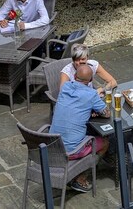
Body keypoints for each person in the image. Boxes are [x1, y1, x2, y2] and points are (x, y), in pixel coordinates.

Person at [48, 63, 110, 193]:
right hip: (70, 151)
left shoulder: (65, 88)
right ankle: (79, 177)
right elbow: (107, 114)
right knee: (105, 142)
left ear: (75, 76)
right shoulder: (92, 94)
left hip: (52, 145)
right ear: (91, 80)